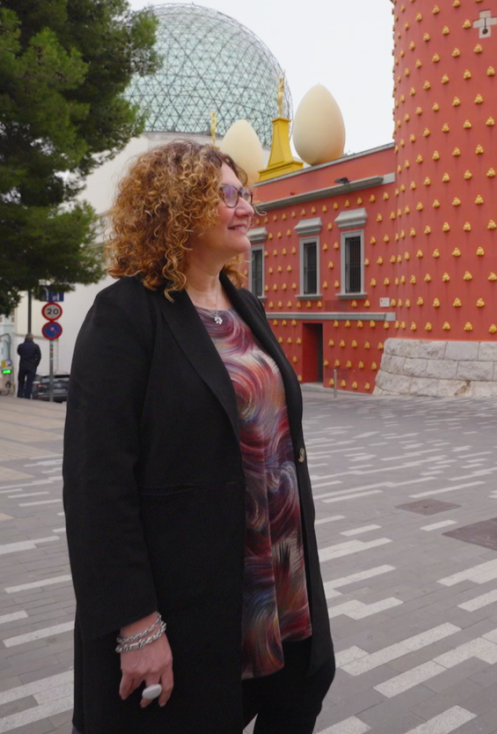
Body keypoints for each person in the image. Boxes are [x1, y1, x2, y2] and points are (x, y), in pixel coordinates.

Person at [63, 141, 334, 732]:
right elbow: (96, 486)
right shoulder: (126, 317)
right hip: (192, 605)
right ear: (178, 207)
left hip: (281, 592)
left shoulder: (247, 308)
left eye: (247, 195)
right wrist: (136, 623)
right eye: (229, 195)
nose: (247, 209)